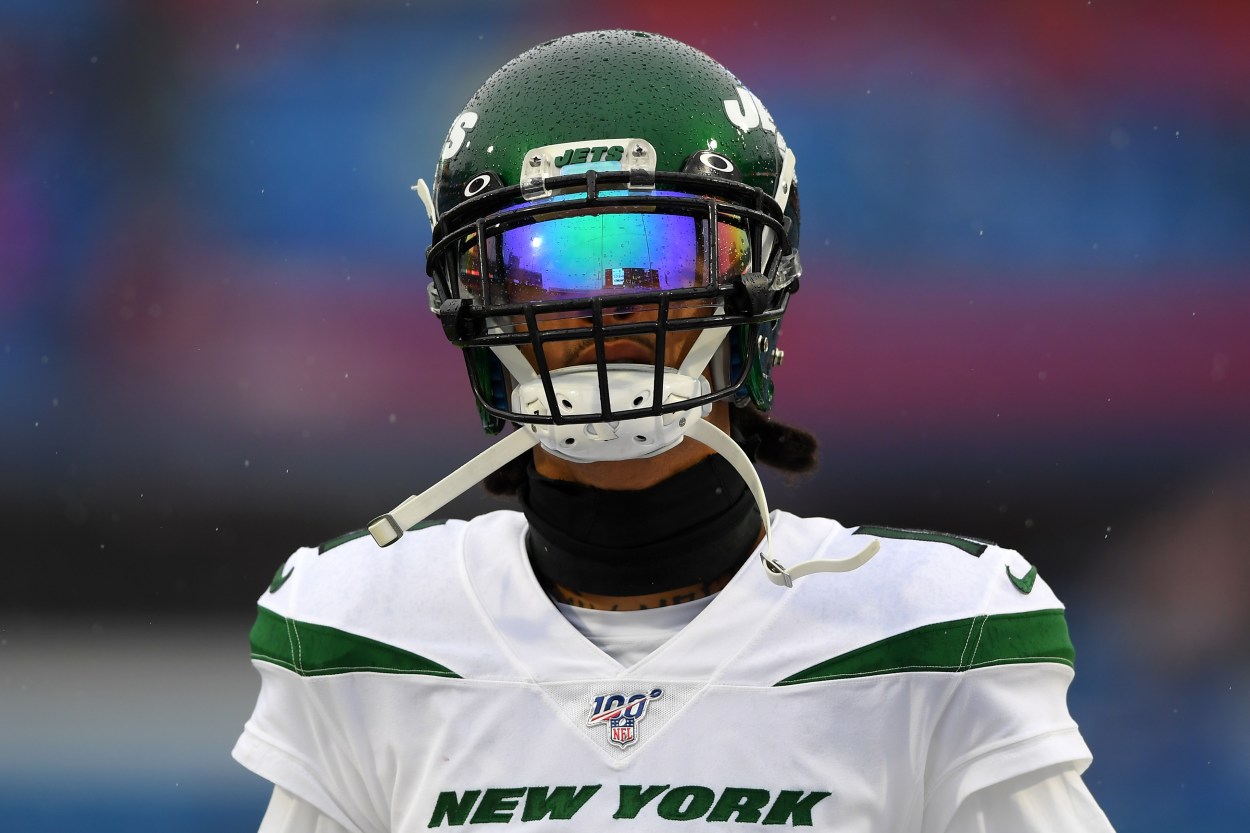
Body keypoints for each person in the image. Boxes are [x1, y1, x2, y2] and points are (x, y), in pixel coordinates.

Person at [234, 30, 1116, 832]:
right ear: (472, 299)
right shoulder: (366, 635)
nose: (607, 304)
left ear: (755, 282)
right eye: (545, 265)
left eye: (658, 257)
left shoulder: (933, 633)